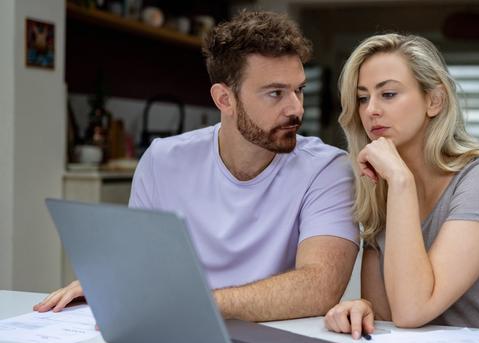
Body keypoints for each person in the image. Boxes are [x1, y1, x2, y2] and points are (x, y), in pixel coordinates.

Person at [34, 11, 359, 322]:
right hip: (176, 329)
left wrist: (192, 305)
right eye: (275, 93)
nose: (296, 109)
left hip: (278, 338)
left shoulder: (327, 169)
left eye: (298, 90)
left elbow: (319, 288)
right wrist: (113, 288)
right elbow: (140, 266)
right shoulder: (163, 161)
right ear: (224, 99)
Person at [324, 33, 479, 339]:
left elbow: (413, 309)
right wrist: (362, 310)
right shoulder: (381, 193)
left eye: (388, 94)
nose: (370, 109)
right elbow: (390, 320)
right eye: (362, 98)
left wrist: (401, 182)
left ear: (434, 101)